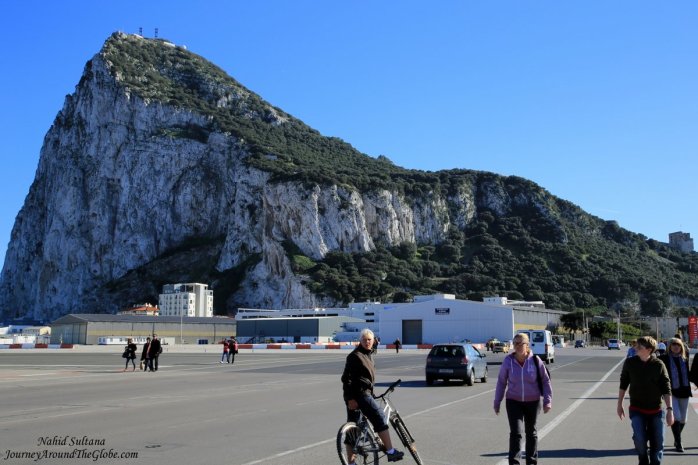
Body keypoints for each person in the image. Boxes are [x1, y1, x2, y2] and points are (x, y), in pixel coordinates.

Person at [341, 328, 404, 462]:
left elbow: (366, 373)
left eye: (369, 339)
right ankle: (391, 452)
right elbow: (346, 379)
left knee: (353, 431)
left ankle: (351, 463)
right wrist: (350, 399)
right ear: (360, 341)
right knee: (379, 416)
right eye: (364, 340)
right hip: (359, 394)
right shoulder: (355, 356)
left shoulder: (368, 354)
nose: (367, 342)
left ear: (373, 340)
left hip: (364, 393)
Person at [494, 332, 552, 465]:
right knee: (516, 433)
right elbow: (501, 382)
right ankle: (514, 462)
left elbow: (545, 381)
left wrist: (548, 401)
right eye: (515, 343)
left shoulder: (536, 361)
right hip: (513, 402)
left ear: (528, 345)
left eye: (521, 343)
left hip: (533, 401)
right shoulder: (508, 361)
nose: (518, 346)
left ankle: (531, 462)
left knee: (531, 432)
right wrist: (497, 402)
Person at [617, 335, 673, 465]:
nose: (635, 348)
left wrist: (670, 410)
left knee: (658, 442)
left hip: (656, 410)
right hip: (637, 409)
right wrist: (619, 404)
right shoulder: (630, 363)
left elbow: (666, 387)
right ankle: (643, 460)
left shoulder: (658, 364)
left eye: (639, 346)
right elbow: (623, 383)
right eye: (636, 346)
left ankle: (655, 462)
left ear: (649, 349)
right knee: (640, 440)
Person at [659, 337, 692, 452]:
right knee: (676, 417)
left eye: (678, 345)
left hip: (685, 390)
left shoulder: (685, 358)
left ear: (681, 346)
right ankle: (678, 442)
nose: (676, 347)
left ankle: (676, 437)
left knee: (683, 419)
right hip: (670, 392)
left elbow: (690, 373)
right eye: (673, 345)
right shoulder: (663, 358)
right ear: (669, 347)